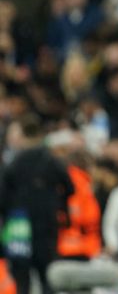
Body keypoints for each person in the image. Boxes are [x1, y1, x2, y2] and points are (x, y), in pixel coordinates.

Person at [0, 113, 74, 294]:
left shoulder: (14, 164)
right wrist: (60, 208)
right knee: (47, 277)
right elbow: (70, 187)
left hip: (19, 226)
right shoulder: (51, 161)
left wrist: (8, 217)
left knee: (22, 279)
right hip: (47, 225)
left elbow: (2, 197)